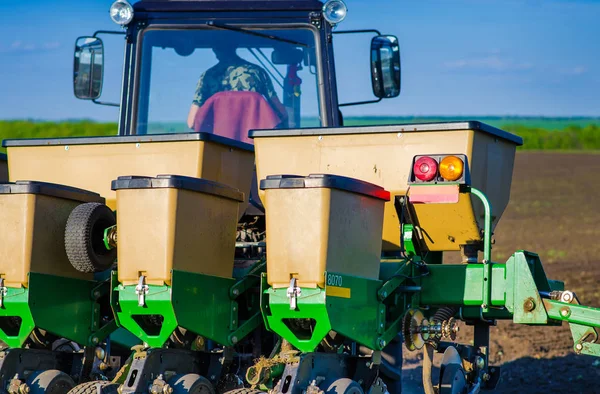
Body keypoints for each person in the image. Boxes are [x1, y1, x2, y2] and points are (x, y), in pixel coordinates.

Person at [187, 45, 287, 129]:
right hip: (253, 145)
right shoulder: (257, 72)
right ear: (234, 47)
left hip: (218, 146)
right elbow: (282, 114)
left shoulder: (207, 77)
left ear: (214, 49)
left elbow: (192, 122)